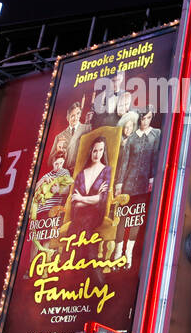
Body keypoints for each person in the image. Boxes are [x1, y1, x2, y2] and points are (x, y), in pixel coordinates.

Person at [114, 109, 162, 262]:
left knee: (136, 218)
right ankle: (117, 253)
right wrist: (119, 184)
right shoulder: (132, 139)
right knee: (122, 218)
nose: (145, 121)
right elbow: (124, 162)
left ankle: (128, 254)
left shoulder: (156, 134)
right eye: (142, 118)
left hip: (144, 183)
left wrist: (152, 180)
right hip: (128, 182)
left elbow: (156, 158)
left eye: (148, 118)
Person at [67, 137, 111, 236]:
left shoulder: (106, 170)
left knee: (85, 226)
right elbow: (75, 203)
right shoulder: (80, 174)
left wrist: (81, 198)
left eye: (101, 150)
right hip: (79, 215)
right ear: (91, 151)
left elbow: (102, 199)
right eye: (95, 150)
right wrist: (93, 200)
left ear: (104, 152)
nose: (97, 154)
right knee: (75, 228)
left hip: (96, 214)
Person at [52, 101, 92, 171]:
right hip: (63, 174)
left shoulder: (87, 128)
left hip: (80, 172)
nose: (76, 118)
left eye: (78, 114)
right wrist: (58, 152)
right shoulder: (59, 136)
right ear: (67, 117)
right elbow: (49, 162)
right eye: (72, 115)